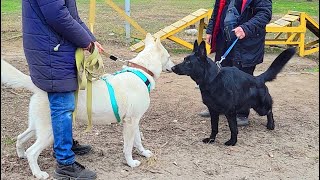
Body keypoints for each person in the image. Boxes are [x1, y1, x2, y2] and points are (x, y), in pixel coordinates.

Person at [22, 0, 105, 179]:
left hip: (54, 47)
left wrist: (90, 39)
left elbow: (71, 15)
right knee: (63, 105)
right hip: (51, 50)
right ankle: (65, 162)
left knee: (65, 102)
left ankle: (63, 143)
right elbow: (57, 15)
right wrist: (86, 42)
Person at [198, 0, 272, 126]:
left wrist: (246, 28)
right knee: (219, 75)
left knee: (242, 79)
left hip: (246, 41)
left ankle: (242, 114)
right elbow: (217, 9)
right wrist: (210, 30)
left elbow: (265, 13)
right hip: (224, 38)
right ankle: (218, 106)